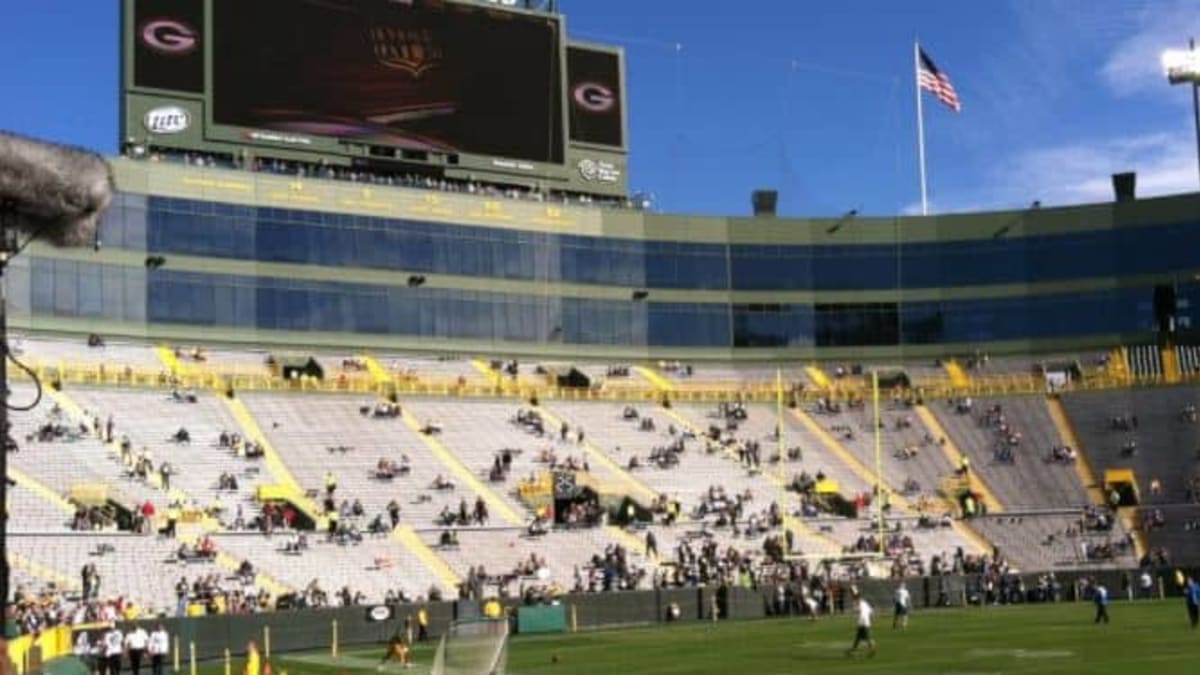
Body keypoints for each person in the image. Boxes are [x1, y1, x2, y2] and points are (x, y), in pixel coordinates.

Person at [845, 590, 876, 658]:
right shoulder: (864, 603)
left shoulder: (860, 604)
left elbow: (861, 615)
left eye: (854, 598)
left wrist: (858, 623)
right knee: (858, 638)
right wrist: (872, 618)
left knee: (866, 637)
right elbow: (871, 611)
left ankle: (872, 650)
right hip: (865, 622)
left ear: (857, 598)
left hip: (863, 623)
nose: (853, 599)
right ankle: (853, 649)